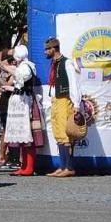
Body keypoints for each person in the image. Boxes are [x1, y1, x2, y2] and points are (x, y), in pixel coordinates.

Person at [4, 45, 43, 176]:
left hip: (25, 103)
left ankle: (29, 167)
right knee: (22, 137)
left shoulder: (27, 66)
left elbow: (22, 77)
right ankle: (24, 165)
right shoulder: (22, 66)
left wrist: (6, 67)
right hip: (19, 102)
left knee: (27, 135)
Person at [44, 36, 77, 178]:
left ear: (53, 49)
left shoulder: (66, 63)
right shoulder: (54, 63)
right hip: (56, 100)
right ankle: (62, 166)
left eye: (47, 49)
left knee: (64, 134)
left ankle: (69, 167)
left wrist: (76, 103)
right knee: (57, 132)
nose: (45, 52)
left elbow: (74, 84)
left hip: (65, 100)